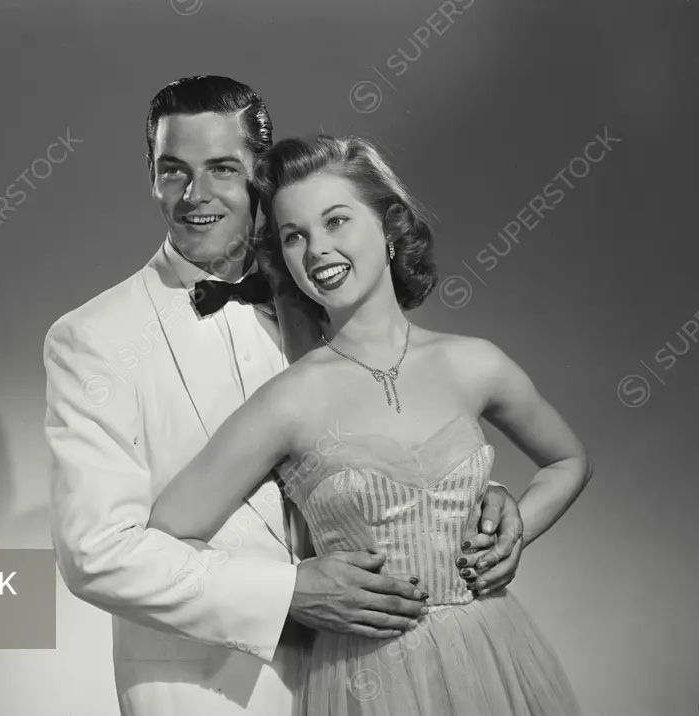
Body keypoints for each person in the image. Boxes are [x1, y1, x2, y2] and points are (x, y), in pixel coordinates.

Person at [44, 76, 525, 716]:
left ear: (259, 179)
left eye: (222, 168)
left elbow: (383, 439)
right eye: (172, 171)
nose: (195, 195)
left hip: (373, 672)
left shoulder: (324, 292)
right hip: (209, 688)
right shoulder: (93, 337)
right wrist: (286, 593)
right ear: (151, 179)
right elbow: (95, 552)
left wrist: (463, 493)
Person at [147, 133, 592, 715]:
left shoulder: (474, 363)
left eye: (336, 221)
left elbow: (568, 460)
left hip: (493, 658)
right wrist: (291, 589)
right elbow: (167, 532)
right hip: (365, 682)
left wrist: (515, 530)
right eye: (294, 236)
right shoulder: (289, 399)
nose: (317, 250)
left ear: (390, 226)